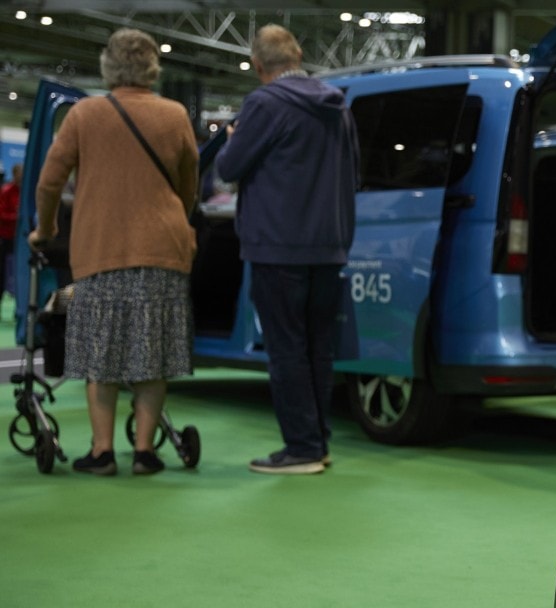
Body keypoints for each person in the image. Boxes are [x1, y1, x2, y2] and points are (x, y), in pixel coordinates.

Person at [28, 29, 197, 476]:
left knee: (99, 355)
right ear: (151, 68)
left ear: (108, 65)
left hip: (101, 250)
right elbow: (188, 187)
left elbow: (48, 182)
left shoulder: (84, 115)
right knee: (152, 354)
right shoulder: (175, 114)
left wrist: (46, 229)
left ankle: (102, 451)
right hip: (163, 248)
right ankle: (145, 451)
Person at [216, 24, 359, 474]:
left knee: (286, 349)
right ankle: (317, 442)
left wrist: (232, 137)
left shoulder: (263, 103)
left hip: (278, 245)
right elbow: (354, 172)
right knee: (318, 347)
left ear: (259, 65)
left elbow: (228, 167)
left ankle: (300, 448)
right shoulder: (338, 105)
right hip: (328, 244)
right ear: (297, 55)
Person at [1, 163, 21, 309]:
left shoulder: (26, 192)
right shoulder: (6, 191)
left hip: (19, 240)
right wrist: (17, 217)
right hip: (5, 238)